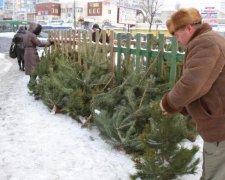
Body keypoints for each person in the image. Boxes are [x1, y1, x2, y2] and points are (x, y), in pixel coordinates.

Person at [160, 8, 225, 180]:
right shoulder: (210, 40)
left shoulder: (206, 43)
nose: (177, 39)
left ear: (189, 28)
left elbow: (193, 84)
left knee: (214, 175)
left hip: (221, 128)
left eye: (176, 34)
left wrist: (169, 103)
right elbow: (208, 83)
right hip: (219, 123)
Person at [23, 23, 53, 90]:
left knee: (31, 69)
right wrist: (49, 43)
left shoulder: (26, 34)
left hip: (26, 52)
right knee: (35, 69)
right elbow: (39, 43)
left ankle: (31, 84)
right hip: (32, 53)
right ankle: (31, 85)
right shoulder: (32, 35)